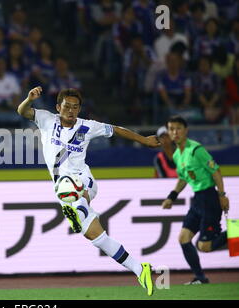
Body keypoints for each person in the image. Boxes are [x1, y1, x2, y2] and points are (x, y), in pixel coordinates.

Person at [17, 86, 160, 296]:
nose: (71, 110)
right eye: (67, 106)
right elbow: (22, 111)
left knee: (68, 185)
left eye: (76, 107)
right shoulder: (47, 119)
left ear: (80, 109)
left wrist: (144, 140)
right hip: (64, 191)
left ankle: (80, 209)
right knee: (95, 236)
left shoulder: (88, 126)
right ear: (59, 107)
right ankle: (140, 269)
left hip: (84, 181)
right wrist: (29, 99)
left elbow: (118, 129)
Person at [161, 115, 229, 284]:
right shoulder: (177, 155)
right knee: (183, 238)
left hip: (209, 199)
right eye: (171, 129)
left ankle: (235, 233)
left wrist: (222, 195)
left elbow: (216, 172)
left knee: (204, 246)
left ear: (186, 131)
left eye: (178, 128)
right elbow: (183, 178)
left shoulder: (196, 150)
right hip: (198, 200)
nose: (174, 132)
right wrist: (172, 197)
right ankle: (200, 278)